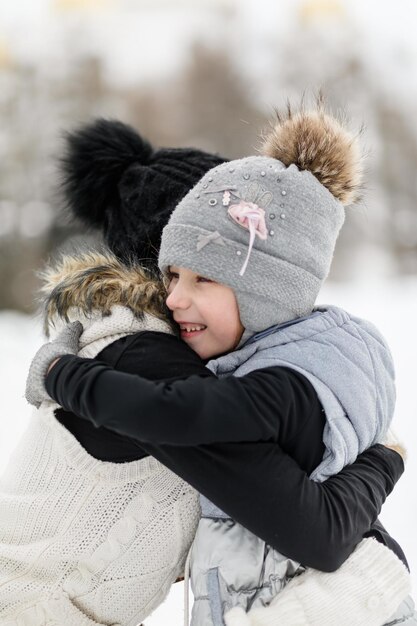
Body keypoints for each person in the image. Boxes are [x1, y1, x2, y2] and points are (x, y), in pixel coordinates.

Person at [25, 112, 415, 626]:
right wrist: (382, 460)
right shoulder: (144, 357)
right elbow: (320, 531)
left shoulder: (255, 360)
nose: (180, 295)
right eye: (177, 275)